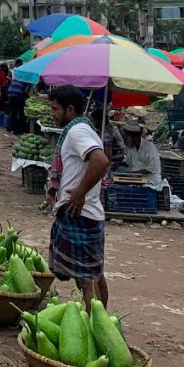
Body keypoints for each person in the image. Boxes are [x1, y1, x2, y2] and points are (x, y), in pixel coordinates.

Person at [47, 85, 110, 311]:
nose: (52, 114)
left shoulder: (77, 131)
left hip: (80, 213)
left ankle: (93, 324)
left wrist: (80, 192)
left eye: (55, 109)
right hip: (83, 212)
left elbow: (101, 161)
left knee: (86, 279)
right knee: (94, 272)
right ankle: (100, 320)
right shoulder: (81, 129)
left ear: (70, 109)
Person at [117, 121, 165, 194]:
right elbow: (128, 162)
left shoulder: (149, 147)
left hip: (150, 180)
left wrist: (134, 174)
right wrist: (117, 165)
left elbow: (153, 167)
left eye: (127, 136)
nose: (126, 138)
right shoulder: (131, 148)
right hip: (137, 179)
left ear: (134, 136)